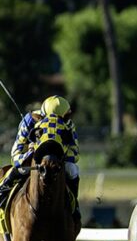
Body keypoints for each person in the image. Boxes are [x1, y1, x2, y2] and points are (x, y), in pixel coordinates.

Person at [0, 95, 81, 225]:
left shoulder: (68, 124)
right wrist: (31, 152)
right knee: (18, 168)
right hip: (29, 158)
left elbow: (75, 153)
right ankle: (3, 192)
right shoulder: (29, 121)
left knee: (73, 169)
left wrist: (60, 152)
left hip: (57, 159)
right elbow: (15, 155)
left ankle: (74, 205)